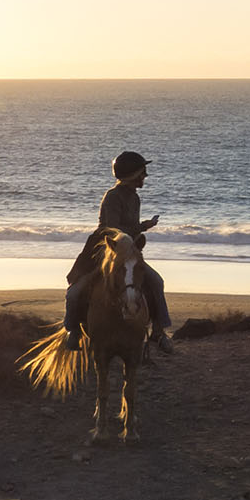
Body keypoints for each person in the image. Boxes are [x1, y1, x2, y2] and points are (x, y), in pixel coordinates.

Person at [63, 150, 174, 355]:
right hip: (106, 250)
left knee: (156, 281)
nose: (145, 176)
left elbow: (129, 230)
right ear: (133, 174)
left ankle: (159, 330)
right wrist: (142, 227)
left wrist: (140, 229)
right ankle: (73, 331)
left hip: (128, 250)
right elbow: (114, 231)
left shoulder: (134, 198)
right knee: (76, 291)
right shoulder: (113, 197)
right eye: (142, 172)